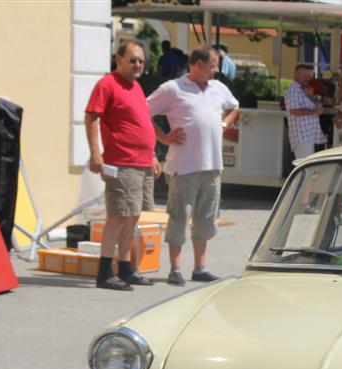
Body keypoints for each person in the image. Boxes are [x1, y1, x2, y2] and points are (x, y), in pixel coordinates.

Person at [148, 45, 238, 286]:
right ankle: (175, 269)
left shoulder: (217, 88)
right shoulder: (172, 88)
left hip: (212, 166)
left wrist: (223, 125)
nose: (217, 70)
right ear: (197, 64)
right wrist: (164, 138)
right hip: (184, 166)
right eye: (213, 65)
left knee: (206, 218)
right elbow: (143, 112)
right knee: (179, 216)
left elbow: (235, 107)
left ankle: (200, 267)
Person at [84, 40, 161, 291]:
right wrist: (96, 153)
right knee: (118, 217)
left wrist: (152, 155)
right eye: (133, 60)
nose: (138, 64)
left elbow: (141, 124)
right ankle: (105, 272)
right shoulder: (108, 84)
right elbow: (92, 117)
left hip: (141, 163)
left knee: (133, 217)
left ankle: (126, 268)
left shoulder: (136, 87)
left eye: (141, 60)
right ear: (119, 59)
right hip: (122, 163)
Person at [285, 64, 327, 160]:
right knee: (304, 166)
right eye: (304, 76)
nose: (307, 78)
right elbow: (294, 111)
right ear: (296, 75)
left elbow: (318, 108)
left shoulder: (303, 90)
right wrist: (314, 111)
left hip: (308, 136)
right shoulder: (294, 91)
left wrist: (311, 96)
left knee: (307, 165)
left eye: (308, 76)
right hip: (301, 136)